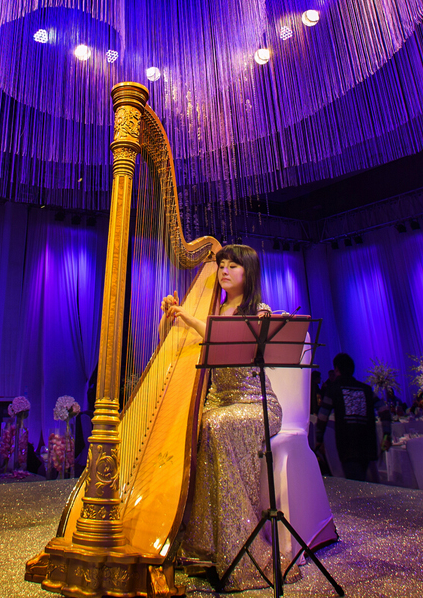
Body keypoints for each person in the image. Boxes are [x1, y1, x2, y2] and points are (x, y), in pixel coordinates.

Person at [163, 244, 298, 591]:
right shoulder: (212, 308)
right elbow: (179, 347)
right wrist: (173, 316)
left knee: (215, 425)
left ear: (248, 273)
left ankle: (239, 546)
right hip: (219, 403)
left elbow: (224, 339)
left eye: (232, 266)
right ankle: (206, 547)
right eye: (221, 264)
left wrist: (190, 319)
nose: (223, 270)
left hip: (256, 404)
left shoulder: (259, 314)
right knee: (191, 429)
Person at [316, 353, 379, 482]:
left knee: (356, 482)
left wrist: (318, 439)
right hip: (367, 443)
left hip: (347, 444)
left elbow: (322, 416)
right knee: (364, 479)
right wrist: (386, 435)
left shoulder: (333, 389)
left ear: (336, 369)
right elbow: (384, 410)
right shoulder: (366, 389)